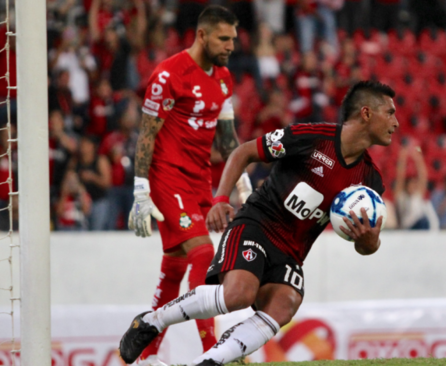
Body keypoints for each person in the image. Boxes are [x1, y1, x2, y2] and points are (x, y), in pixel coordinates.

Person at [118, 80, 398, 366]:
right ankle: (152, 321)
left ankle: (207, 363)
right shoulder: (312, 137)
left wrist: (368, 242)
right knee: (238, 294)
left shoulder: (370, 181)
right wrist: (221, 199)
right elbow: (244, 152)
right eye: (389, 113)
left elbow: (367, 245)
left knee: (285, 303)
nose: (396, 122)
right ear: (366, 113)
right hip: (257, 225)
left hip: (291, 253)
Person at [127, 6, 252, 366]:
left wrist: (242, 184)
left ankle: (146, 356)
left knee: (175, 268)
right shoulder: (168, 74)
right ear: (202, 36)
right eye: (223, 38)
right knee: (202, 255)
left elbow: (228, 140)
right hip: (167, 178)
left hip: (200, 180)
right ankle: (213, 353)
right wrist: (140, 189)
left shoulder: (225, 78)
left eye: (233, 37)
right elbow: (146, 134)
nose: (231, 44)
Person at [393, 146, 434, 230]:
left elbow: (423, 177)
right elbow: (400, 178)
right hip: (407, 228)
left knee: (425, 218)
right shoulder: (401, 197)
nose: (412, 187)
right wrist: (403, 158)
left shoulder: (417, 196)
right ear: (406, 186)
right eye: (410, 184)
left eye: (414, 185)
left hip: (419, 225)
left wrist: (418, 159)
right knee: (423, 221)